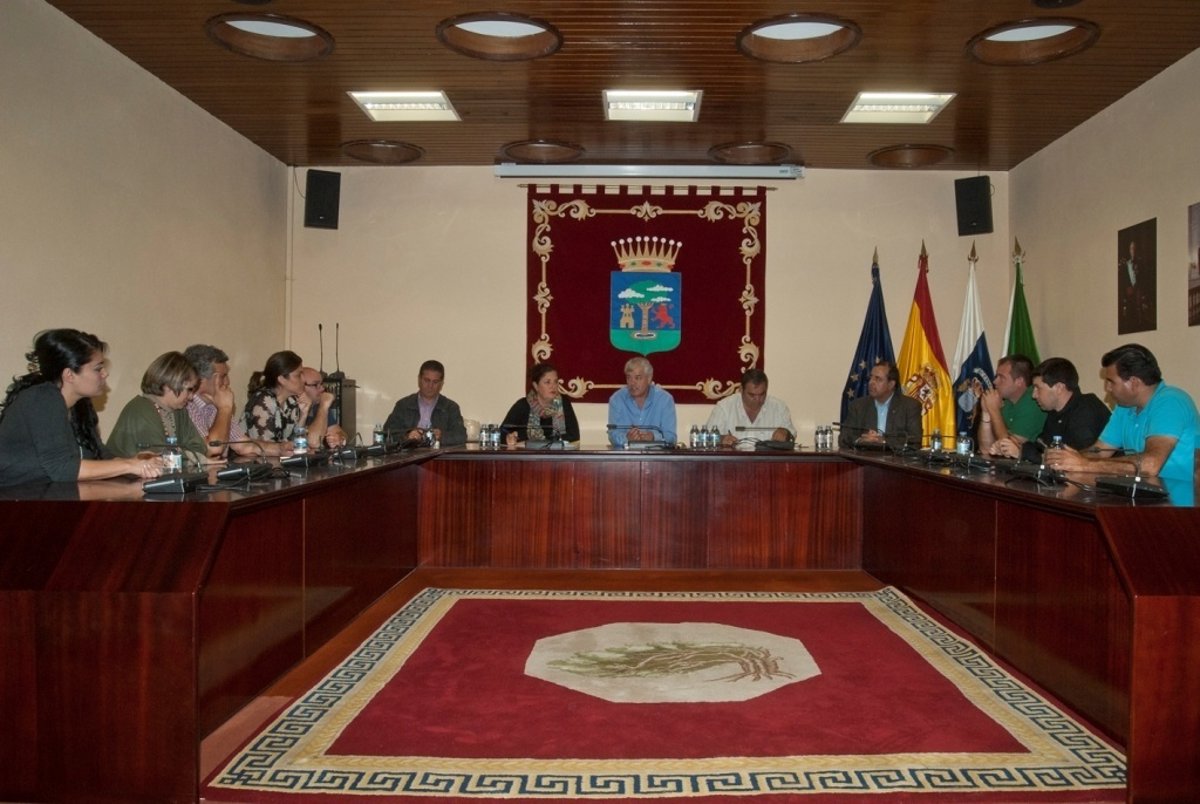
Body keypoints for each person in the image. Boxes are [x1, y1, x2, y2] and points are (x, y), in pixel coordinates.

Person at [0, 329, 163, 486]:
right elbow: (62, 469)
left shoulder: (80, 405)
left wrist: (138, 462)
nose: (105, 374)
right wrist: (129, 466)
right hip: (15, 498)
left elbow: (101, 456)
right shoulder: (42, 399)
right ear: (69, 375)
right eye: (98, 369)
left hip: (52, 496)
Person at [1044, 344, 1198, 479]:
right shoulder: (1125, 407)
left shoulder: (1171, 401)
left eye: (1111, 382)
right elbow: (1099, 452)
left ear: (1134, 382)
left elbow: (1150, 465)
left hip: (1180, 499)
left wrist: (1084, 464)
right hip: (1143, 494)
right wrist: (1064, 459)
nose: (1107, 388)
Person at [989, 357, 1110, 463]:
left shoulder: (1086, 408)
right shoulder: (1053, 413)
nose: (1034, 395)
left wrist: (1021, 453)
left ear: (1059, 388)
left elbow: (1075, 459)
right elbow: (1041, 447)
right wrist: (1013, 447)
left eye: (1038, 388)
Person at [107, 351, 215, 465]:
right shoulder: (140, 410)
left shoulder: (179, 410)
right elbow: (158, 456)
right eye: (189, 390)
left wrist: (186, 456)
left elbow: (199, 448)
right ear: (169, 385)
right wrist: (188, 456)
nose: (191, 397)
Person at [183, 344, 289, 458]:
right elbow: (213, 449)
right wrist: (224, 409)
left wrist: (281, 449)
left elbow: (244, 446)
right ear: (201, 380)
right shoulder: (186, 406)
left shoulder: (216, 404)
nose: (227, 382)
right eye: (223, 376)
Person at [838, 360, 923, 449]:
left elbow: (915, 441)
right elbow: (843, 439)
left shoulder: (910, 407)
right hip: (866, 457)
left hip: (895, 458)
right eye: (871, 378)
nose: (871, 382)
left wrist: (883, 441)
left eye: (878, 379)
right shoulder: (858, 406)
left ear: (891, 384)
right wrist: (861, 441)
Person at [382, 359, 466, 446]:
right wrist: (407, 436)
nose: (430, 386)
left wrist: (441, 436)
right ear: (419, 380)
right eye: (426, 380)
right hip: (409, 453)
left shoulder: (450, 407)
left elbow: (461, 436)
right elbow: (387, 433)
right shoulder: (403, 405)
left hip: (438, 454)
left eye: (435, 382)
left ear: (441, 384)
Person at [705, 368, 794, 449]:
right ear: (741, 390)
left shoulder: (779, 408)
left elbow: (791, 435)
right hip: (734, 461)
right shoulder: (724, 407)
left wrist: (786, 434)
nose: (757, 399)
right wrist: (721, 439)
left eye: (762, 394)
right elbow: (706, 437)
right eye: (752, 395)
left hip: (768, 460)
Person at [976, 354, 1046, 455]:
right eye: (996, 376)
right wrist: (986, 412)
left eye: (1001, 377)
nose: (995, 381)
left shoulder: (1033, 401)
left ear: (1019, 381)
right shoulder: (1008, 400)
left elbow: (1008, 450)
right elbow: (986, 449)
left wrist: (994, 410)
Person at [502, 362, 580, 445]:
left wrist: (533, 439)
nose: (553, 386)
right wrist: (509, 438)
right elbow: (502, 432)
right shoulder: (523, 405)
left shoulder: (563, 403)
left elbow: (574, 436)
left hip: (556, 453)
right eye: (547, 382)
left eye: (555, 381)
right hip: (529, 453)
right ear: (536, 386)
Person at [608, 356, 676, 446]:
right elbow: (612, 435)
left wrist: (653, 437)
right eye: (629, 378)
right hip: (627, 454)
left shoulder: (665, 400)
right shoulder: (617, 399)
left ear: (649, 378)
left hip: (655, 454)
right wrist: (627, 438)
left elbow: (671, 437)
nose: (632, 383)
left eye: (638, 378)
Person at [243, 350, 307, 443]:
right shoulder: (263, 401)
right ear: (281, 379)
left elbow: (296, 442)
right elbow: (263, 446)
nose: (304, 379)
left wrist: (303, 415)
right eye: (298, 375)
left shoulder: (292, 401)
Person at [300, 367, 348, 448]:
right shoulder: (293, 408)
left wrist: (340, 438)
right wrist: (324, 406)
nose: (322, 388)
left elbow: (338, 431)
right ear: (300, 386)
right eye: (315, 385)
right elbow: (313, 443)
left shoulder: (317, 405)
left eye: (322, 384)